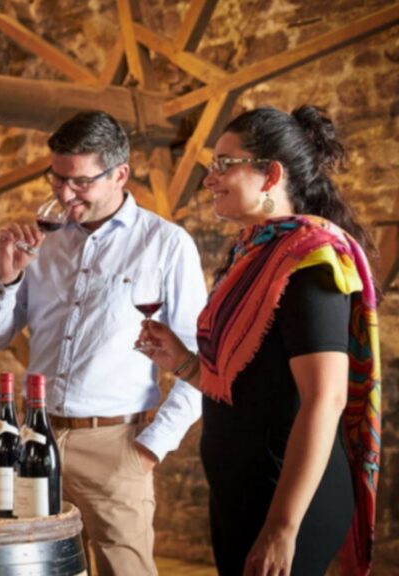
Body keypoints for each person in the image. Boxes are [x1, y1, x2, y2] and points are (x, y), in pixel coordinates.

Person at [140, 106, 381, 576]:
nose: (209, 179)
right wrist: (185, 363)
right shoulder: (252, 254)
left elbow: (325, 399)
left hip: (285, 499)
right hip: (242, 492)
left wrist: (282, 529)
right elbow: (246, 384)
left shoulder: (311, 260)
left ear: (271, 174)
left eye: (224, 164)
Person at [0, 111, 208, 575]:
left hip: (115, 445)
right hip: (35, 438)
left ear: (119, 173)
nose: (64, 194)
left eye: (79, 182)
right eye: (56, 178)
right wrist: (6, 277)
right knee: (34, 569)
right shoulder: (40, 243)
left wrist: (148, 449)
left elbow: (201, 365)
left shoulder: (166, 245)